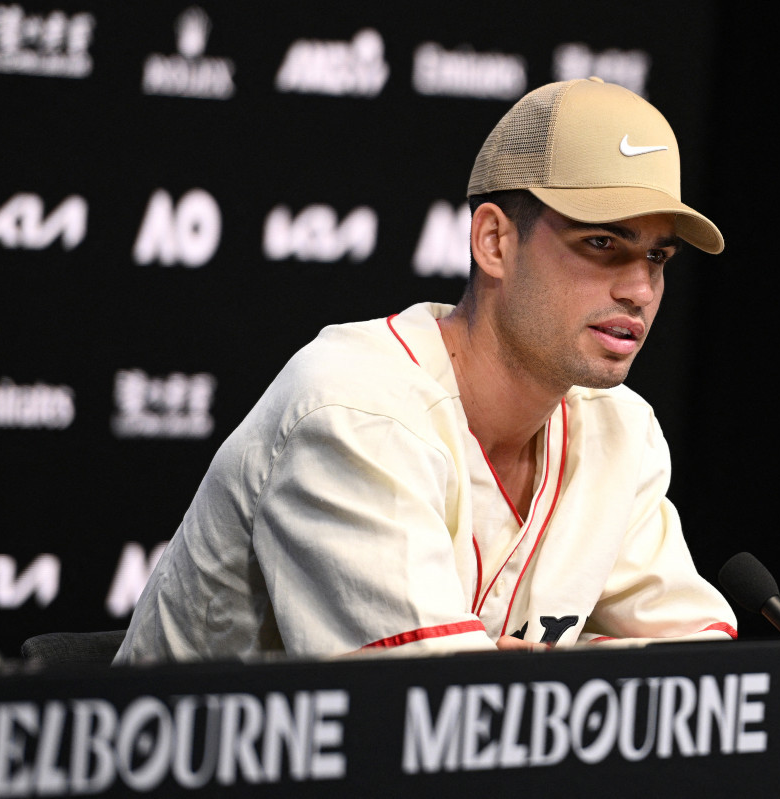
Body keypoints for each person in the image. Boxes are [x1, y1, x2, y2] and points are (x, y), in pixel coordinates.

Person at [114, 77, 736, 662]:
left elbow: (701, 671)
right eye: (602, 244)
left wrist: (539, 678)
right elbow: (430, 715)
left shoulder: (619, 431)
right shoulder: (355, 408)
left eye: (657, 256)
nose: (640, 289)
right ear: (494, 242)